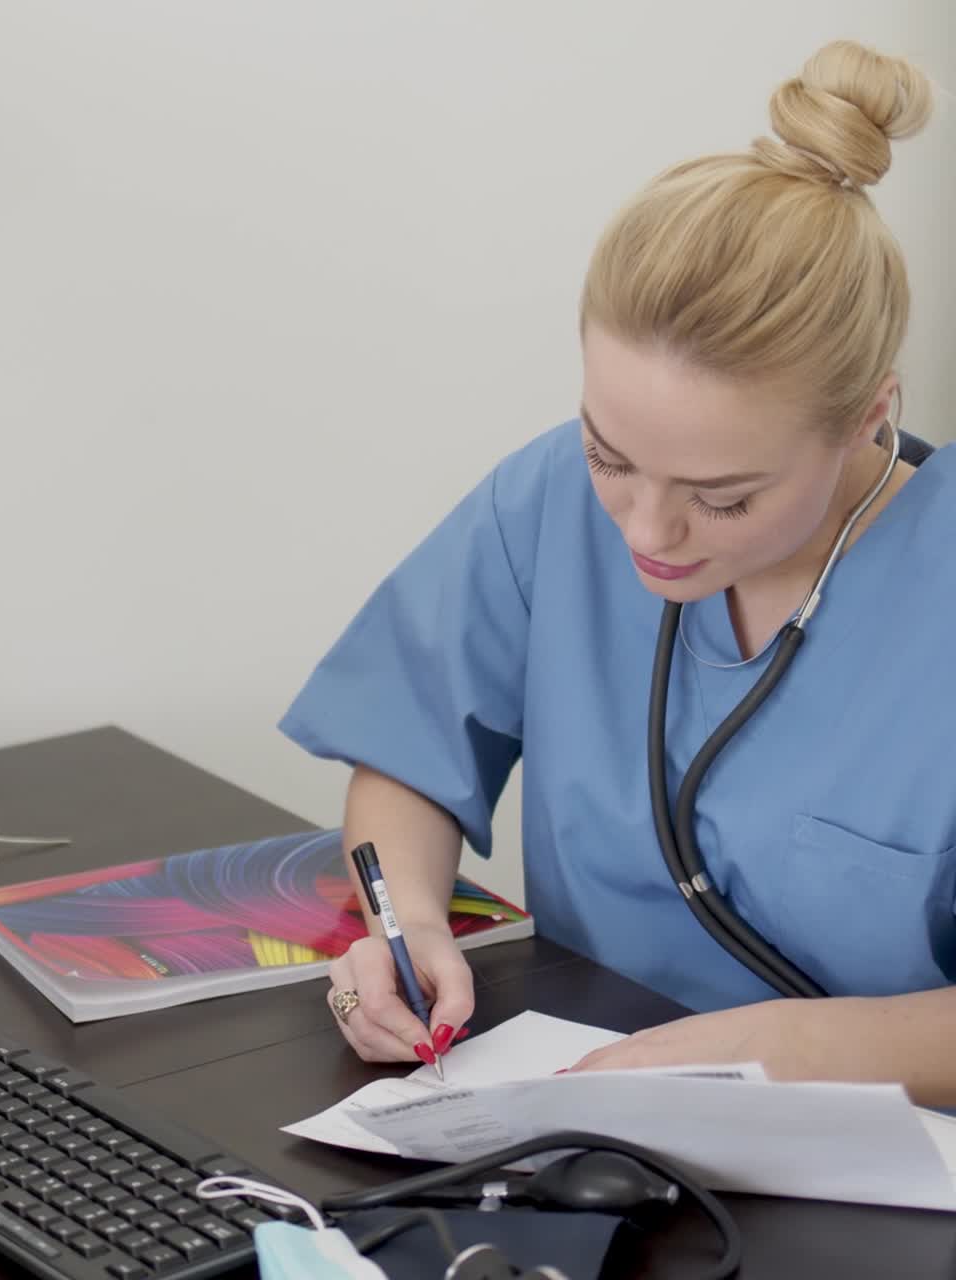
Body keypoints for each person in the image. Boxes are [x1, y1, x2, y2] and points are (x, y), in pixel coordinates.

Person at [279, 40, 956, 1108]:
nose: (647, 528)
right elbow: (407, 751)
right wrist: (403, 920)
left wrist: (787, 1052)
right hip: (590, 1125)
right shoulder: (545, 498)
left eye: (722, 496)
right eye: (609, 453)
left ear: (869, 413)